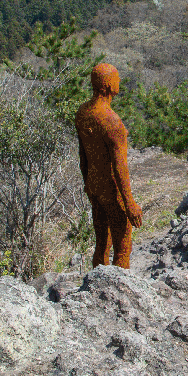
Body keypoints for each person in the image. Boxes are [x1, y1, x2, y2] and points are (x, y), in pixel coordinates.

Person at [75, 63, 142, 268]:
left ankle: (95, 284)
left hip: (95, 186)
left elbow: (83, 155)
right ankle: (120, 290)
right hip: (111, 189)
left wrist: (88, 183)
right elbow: (120, 167)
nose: (119, 80)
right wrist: (130, 204)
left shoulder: (83, 112)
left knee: (102, 242)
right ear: (106, 85)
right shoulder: (111, 122)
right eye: (116, 78)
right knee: (123, 243)